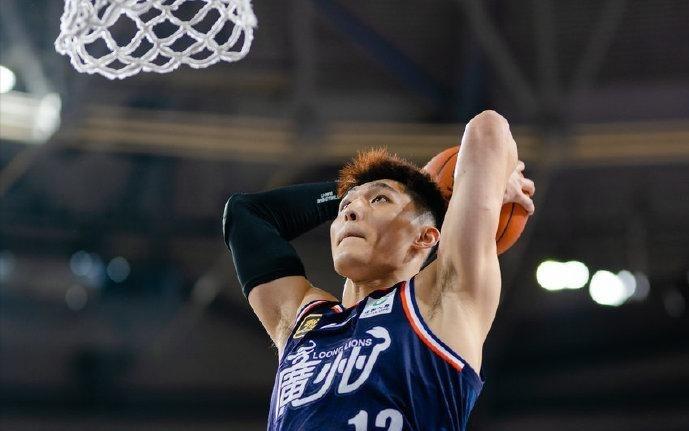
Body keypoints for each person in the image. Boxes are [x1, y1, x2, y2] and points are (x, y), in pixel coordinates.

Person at [223, 110, 535, 430]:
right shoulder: (303, 321)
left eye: (380, 200)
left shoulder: (443, 299)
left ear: (425, 236)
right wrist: (360, 192)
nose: (350, 212)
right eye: (344, 207)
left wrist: (489, 179)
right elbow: (244, 214)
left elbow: (487, 130)